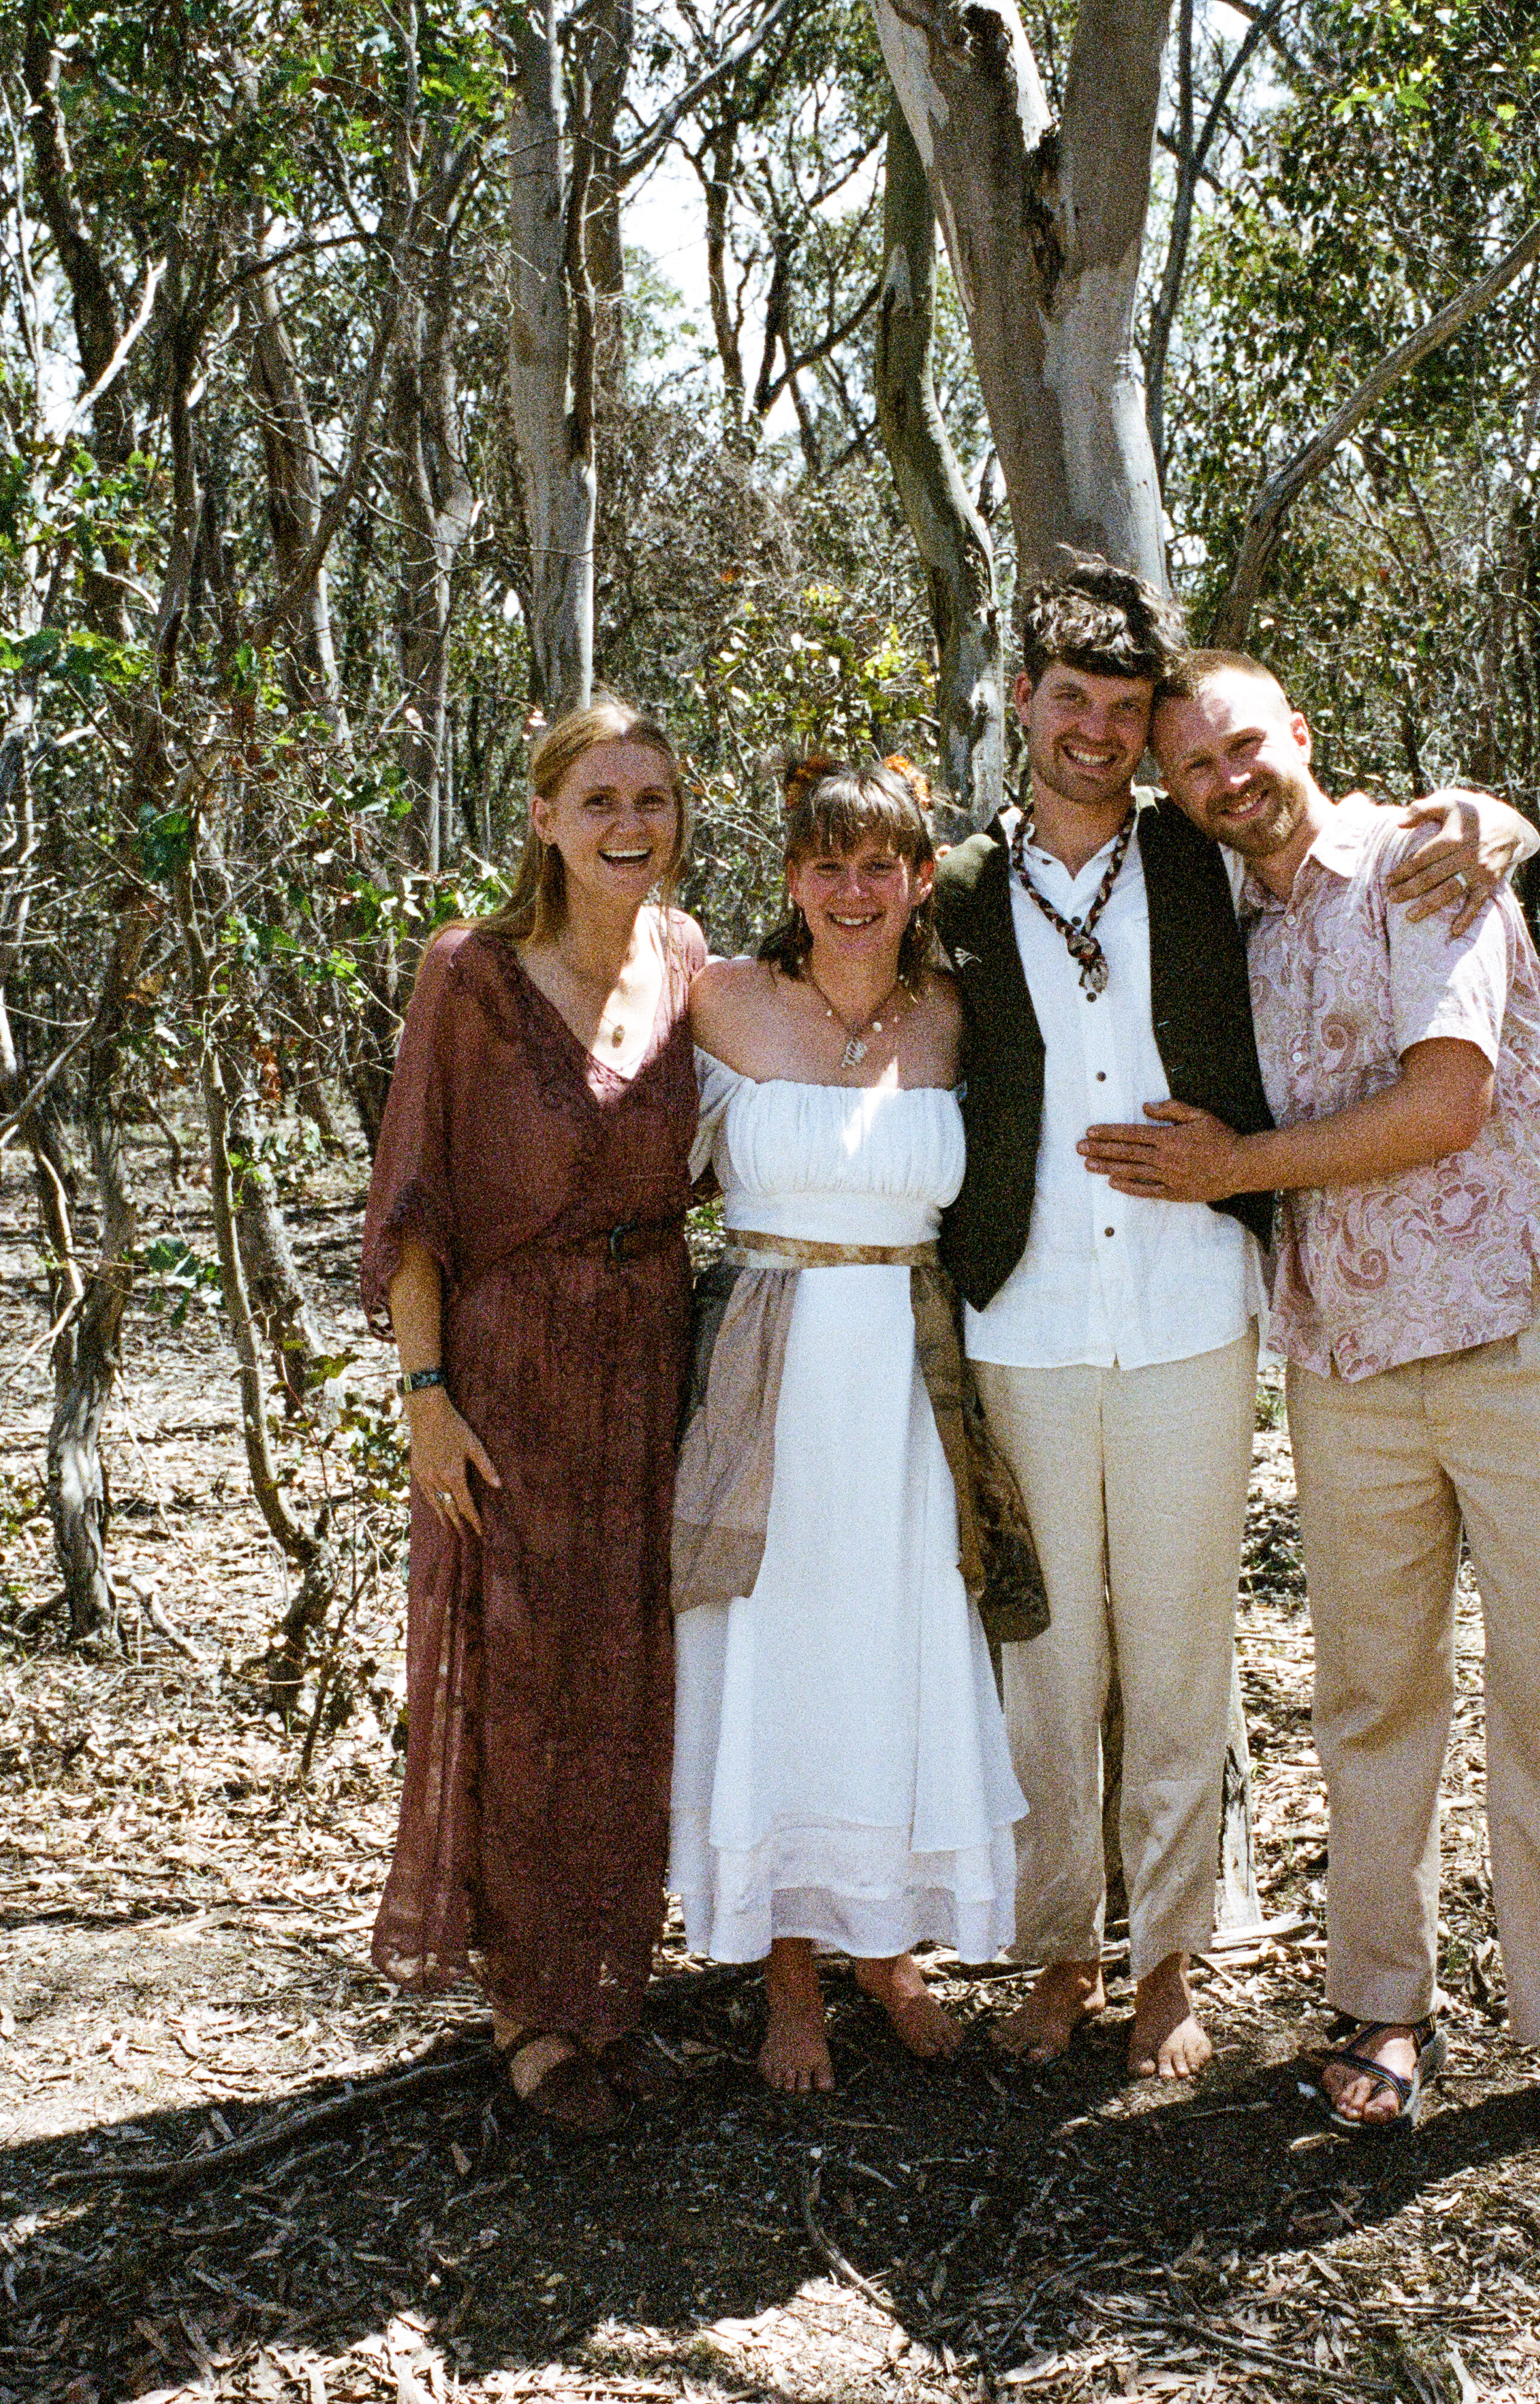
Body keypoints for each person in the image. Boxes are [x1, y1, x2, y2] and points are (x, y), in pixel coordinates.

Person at [934, 556, 1537, 2079]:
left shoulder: (1199, 868)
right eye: (1069, 699)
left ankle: (1170, 1964)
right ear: (1025, 703)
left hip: (1198, 1306)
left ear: (1147, 738)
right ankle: (1059, 1947)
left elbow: (1356, 843)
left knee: (1187, 1646)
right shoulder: (952, 887)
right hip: (1024, 1316)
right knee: (1050, 1655)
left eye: (1123, 712)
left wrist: (1491, 814)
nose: (1093, 732)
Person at [1083, 648, 1540, 2167]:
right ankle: (1382, 2007)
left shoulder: (1422, 857)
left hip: (1513, 1327)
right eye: (1195, 767)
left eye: (1245, 745)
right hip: (1347, 1357)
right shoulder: (1237, 928)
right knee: (1372, 1698)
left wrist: (1232, 1170)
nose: (1229, 780)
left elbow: (1447, 1100)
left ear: (1301, 736)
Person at [360, 695, 705, 2135]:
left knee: (627, 1668)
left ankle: (608, 1985)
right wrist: (427, 1394)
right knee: (517, 1669)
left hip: (655, 1358)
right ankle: (525, 2009)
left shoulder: (690, 961)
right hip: (508, 1368)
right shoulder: (473, 974)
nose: (632, 824)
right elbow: (417, 1205)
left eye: (655, 798)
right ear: (546, 819)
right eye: (601, 799)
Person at [671, 756, 1034, 2092]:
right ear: (788, 880)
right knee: (771, 1644)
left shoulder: (955, 1016)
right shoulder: (718, 1000)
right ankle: (786, 1973)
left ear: (920, 878)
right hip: (769, 1362)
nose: (853, 890)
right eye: (826, 864)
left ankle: (884, 1945)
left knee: (897, 1647)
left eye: (881, 864)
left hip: (910, 1379)